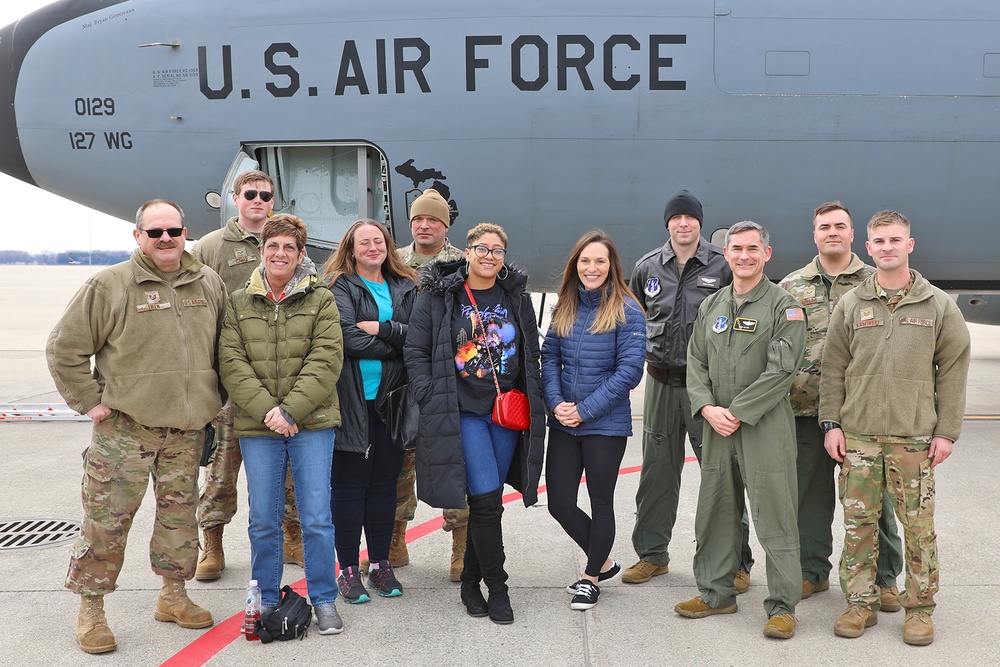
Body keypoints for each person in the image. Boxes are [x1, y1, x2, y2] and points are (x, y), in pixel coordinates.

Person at [47, 199, 227, 654]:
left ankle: (173, 596)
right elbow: (63, 348)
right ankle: (91, 609)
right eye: (155, 232)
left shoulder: (208, 282)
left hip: (186, 432)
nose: (166, 239)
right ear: (138, 236)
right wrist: (89, 401)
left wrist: (215, 398)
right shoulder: (111, 284)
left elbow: (226, 347)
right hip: (126, 431)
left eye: (173, 230)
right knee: (107, 523)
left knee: (179, 519)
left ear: (186, 232)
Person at [819, 209, 971, 646]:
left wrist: (947, 431)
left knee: (918, 528)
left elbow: (953, 369)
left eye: (895, 240)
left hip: (914, 439)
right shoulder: (853, 304)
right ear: (868, 248)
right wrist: (832, 423)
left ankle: (920, 609)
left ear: (909, 244)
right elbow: (833, 368)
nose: (887, 247)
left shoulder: (937, 304)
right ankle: (860, 604)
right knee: (858, 525)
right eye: (879, 241)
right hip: (860, 438)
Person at [404, 222, 545, 625]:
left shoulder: (514, 296)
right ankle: (498, 588)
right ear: (466, 252)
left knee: (488, 503)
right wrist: (430, 394)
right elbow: (416, 348)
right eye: (481, 249)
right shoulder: (440, 296)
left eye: (497, 250)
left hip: (504, 411)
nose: (489, 256)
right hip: (462, 410)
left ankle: (469, 580)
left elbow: (530, 348)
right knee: (485, 499)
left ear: (504, 257)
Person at [675, 221, 806, 640]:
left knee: (774, 517)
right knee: (715, 512)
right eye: (736, 248)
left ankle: (783, 606)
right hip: (717, 426)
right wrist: (707, 407)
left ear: (767, 254)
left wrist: (736, 411)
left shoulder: (785, 307)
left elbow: (781, 372)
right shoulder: (712, 306)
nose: (744, 255)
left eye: (753, 248)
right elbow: (694, 363)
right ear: (726, 254)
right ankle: (716, 593)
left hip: (763, 426)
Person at [218, 214, 345, 635]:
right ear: (262, 251)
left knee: (316, 516)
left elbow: (326, 359)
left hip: (311, 422)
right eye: (273, 246)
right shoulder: (239, 302)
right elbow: (232, 364)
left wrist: (290, 410)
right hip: (259, 427)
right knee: (264, 519)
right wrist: (270, 412)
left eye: (289, 248)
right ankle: (267, 598)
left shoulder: (320, 298)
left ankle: (325, 599)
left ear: (301, 254)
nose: (280, 254)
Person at [624, 190, 754, 593]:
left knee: (722, 476)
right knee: (656, 474)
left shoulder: (722, 263)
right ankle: (651, 556)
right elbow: (635, 321)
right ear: (667, 224)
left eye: (690, 218)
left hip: (709, 391)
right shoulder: (648, 267)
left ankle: (735, 561)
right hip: (661, 383)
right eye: (676, 218)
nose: (684, 224)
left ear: (700, 223)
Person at [778, 201, 904, 607]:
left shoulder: (877, 280)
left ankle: (885, 579)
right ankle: (812, 572)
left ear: (853, 236)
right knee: (809, 500)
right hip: (805, 411)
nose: (832, 232)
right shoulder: (791, 287)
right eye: (824, 227)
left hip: (865, 414)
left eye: (840, 226)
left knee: (877, 502)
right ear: (814, 235)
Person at [193, 169, 302, 581]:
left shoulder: (286, 243)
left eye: (265, 195)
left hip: (280, 381)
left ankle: (292, 538)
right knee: (222, 468)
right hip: (229, 383)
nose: (258, 200)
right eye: (250, 194)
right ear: (235, 199)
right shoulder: (211, 247)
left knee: (288, 468)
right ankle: (214, 545)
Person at [541, 231, 646, 611]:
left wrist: (584, 409)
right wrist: (556, 403)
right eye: (585, 260)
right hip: (565, 422)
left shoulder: (627, 310)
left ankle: (590, 578)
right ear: (576, 265)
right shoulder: (565, 306)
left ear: (611, 266)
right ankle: (603, 561)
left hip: (605, 424)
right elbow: (549, 357)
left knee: (601, 502)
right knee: (559, 504)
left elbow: (629, 371)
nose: (592, 267)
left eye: (600, 261)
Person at [321, 220, 418, 602]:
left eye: (378, 241)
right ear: (351, 248)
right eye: (365, 242)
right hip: (350, 402)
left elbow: (419, 335)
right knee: (348, 488)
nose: (373, 247)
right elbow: (346, 336)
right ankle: (347, 569)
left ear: (387, 246)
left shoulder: (406, 285)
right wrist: (397, 342)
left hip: (391, 403)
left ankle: (380, 565)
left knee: (384, 486)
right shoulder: (339, 285)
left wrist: (382, 329)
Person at [386, 187, 469, 581]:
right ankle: (395, 542)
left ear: (445, 225)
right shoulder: (394, 261)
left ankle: (462, 548)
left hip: (451, 380)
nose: (424, 225)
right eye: (418, 218)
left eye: (432, 219)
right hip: (402, 378)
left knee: (455, 463)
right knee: (400, 465)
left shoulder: (463, 264)